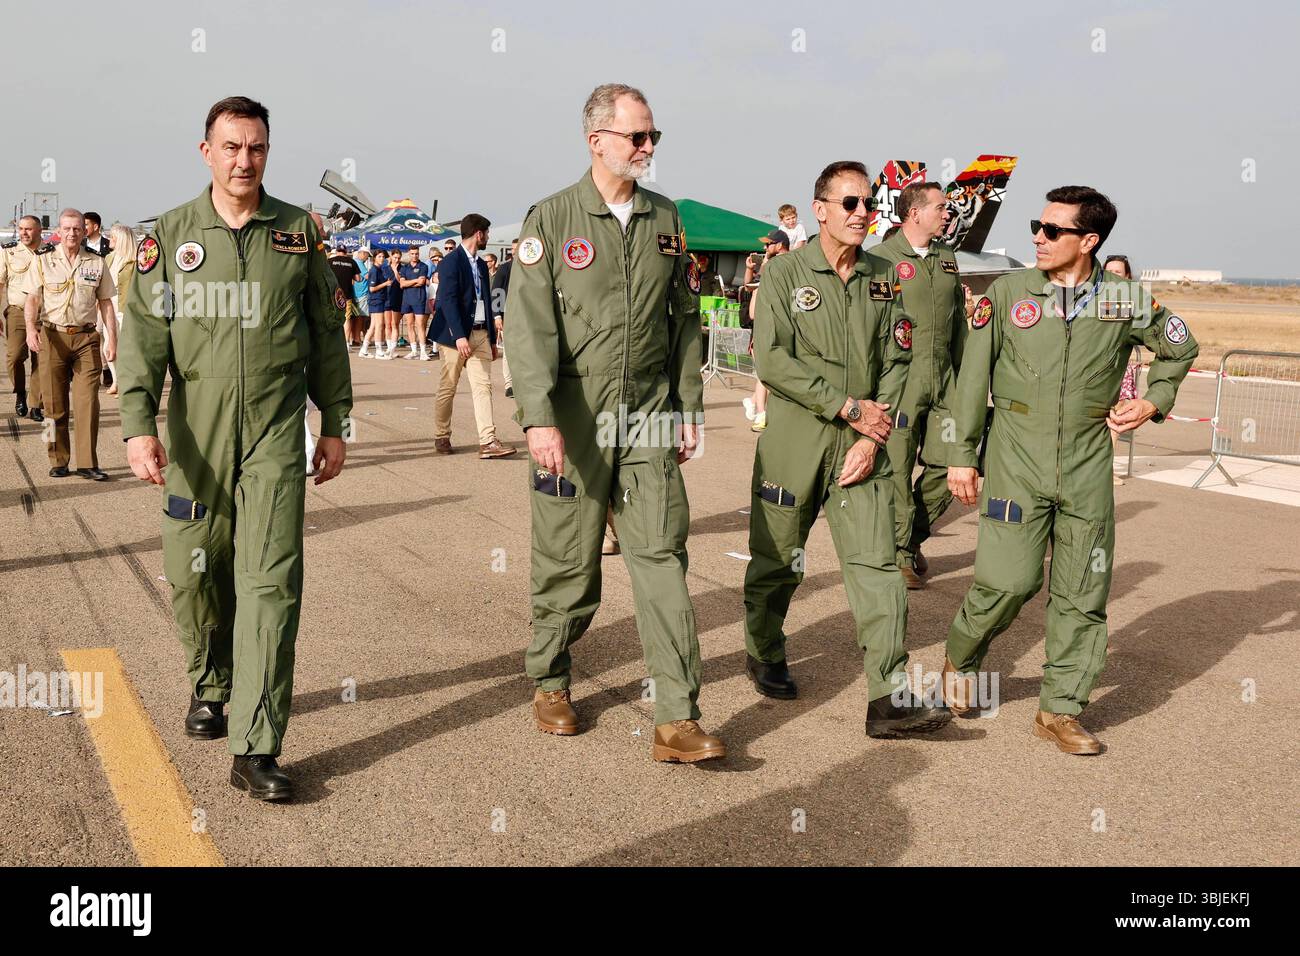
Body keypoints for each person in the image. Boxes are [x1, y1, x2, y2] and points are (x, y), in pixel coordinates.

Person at [117, 96, 352, 801]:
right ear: (206, 151)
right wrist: (137, 425)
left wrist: (336, 422)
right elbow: (143, 339)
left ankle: (257, 745)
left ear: (266, 153)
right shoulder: (171, 237)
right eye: (231, 147)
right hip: (196, 436)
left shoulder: (297, 234)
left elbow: (327, 329)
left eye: (255, 148)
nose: (244, 160)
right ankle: (210, 680)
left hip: (277, 433)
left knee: (271, 583)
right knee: (195, 573)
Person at [509, 83, 724, 762]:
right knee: (570, 567)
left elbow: (685, 321)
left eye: (654, 135)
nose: (649, 147)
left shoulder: (667, 220)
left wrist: (688, 406)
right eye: (637, 136)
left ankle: (677, 717)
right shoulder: (551, 219)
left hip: (651, 415)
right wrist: (538, 417)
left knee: (662, 558)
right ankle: (550, 677)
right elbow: (529, 328)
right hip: (575, 418)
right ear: (597, 139)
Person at [942, 186, 1198, 754]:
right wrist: (961, 455)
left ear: (1089, 241)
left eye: (1053, 230)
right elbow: (970, 381)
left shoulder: (1127, 299)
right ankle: (961, 658)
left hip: (1086, 460)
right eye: (1038, 224)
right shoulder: (1007, 293)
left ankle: (1060, 709)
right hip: (1015, 455)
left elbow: (1181, 348)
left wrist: (1153, 400)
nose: (1038, 235)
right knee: (1008, 581)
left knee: (1083, 589)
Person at [743, 161, 949, 738]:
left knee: (879, 568)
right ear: (821, 209)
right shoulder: (784, 275)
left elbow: (900, 359)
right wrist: (845, 406)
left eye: (870, 203)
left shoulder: (885, 275)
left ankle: (888, 696)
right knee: (777, 563)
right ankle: (763, 647)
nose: (865, 213)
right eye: (852, 203)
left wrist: (868, 430)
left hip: (865, 449)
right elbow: (773, 360)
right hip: (795, 445)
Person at [868, 181, 967, 589]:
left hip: (944, 381)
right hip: (901, 383)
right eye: (942, 208)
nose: (949, 214)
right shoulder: (880, 260)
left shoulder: (947, 259)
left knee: (951, 465)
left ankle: (910, 537)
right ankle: (899, 553)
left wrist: (969, 380)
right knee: (897, 469)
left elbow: (959, 322)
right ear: (915, 213)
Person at [22, 209, 117, 480]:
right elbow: (32, 298)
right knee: (54, 404)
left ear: (85, 231)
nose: (72, 233)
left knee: (88, 402)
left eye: (77, 228)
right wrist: (31, 329)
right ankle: (58, 459)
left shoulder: (97, 263)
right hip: (53, 337)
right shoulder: (44, 261)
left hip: (86, 339)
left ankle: (88, 463)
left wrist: (112, 340)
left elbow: (106, 303)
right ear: (59, 232)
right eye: (66, 229)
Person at [430, 214, 514, 459]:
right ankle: (441, 434)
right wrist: (459, 335)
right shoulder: (450, 262)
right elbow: (447, 300)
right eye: (486, 233)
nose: (488, 237)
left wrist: (489, 337)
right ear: (479, 233)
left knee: (483, 387)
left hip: (480, 333)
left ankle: (488, 441)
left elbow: (485, 299)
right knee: (448, 386)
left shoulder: (479, 264)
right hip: (454, 336)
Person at [740, 229, 788, 433]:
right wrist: (751, 269)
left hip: (775, 326)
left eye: (769, 244)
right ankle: (759, 411)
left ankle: (755, 406)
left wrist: (766, 262)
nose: (765, 248)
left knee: (768, 374)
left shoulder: (780, 265)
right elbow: (749, 286)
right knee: (764, 373)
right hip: (762, 327)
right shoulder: (770, 265)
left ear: (779, 245)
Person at [0, 215, 48, 421]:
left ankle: (36, 404)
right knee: (14, 356)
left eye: (28, 229)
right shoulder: (9, 251)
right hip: (18, 311)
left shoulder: (50, 252)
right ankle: (20, 392)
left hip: (45, 314)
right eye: (21, 229)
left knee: (43, 360)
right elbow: (0, 284)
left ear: (39, 231)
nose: (24, 233)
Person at [1104, 254, 1140, 486]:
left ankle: (1105, 469)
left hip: (1121, 367)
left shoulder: (1134, 300)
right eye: (1109, 271)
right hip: (1097, 367)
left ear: (1127, 276)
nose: (1113, 276)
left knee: (1116, 419)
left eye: (1118, 272)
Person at [104, 223, 138, 397]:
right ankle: (116, 380)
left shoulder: (135, 261)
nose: (110, 239)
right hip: (109, 305)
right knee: (107, 347)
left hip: (126, 307)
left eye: (113, 237)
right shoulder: (109, 258)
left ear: (122, 240)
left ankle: (126, 383)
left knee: (125, 348)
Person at [490, 237, 517, 397]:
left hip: (525, 315)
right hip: (507, 314)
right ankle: (509, 384)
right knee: (508, 350)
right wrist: (497, 316)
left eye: (517, 248)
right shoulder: (505, 268)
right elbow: (497, 292)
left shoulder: (531, 268)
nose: (514, 251)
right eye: (512, 248)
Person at [397, 246, 430, 359]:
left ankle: (423, 352)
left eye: (416, 253)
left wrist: (408, 282)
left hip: (419, 299)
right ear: (409, 254)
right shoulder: (404, 268)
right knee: (410, 325)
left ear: (418, 254)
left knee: (420, 325)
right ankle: (414, 350)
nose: (414, 256)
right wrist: (415, 281)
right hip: (407, 300)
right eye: (412, 254)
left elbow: (422, 283)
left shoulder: (423, 266)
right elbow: (402, 284)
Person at [328, 243, 362, 350]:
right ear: (346, 252)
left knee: (332, 317)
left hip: (332, 294)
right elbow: (358, 279)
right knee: (346, 318)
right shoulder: (351, 262)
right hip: (346, 295)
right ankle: (346, 343)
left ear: (337, 251)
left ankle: (332, 342)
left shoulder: (330, 261)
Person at [360, 249, 392, 358]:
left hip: (379, 299)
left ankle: (364, 349)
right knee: (379, 325)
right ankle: (379, 350)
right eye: (379, 256)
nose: (382, 258)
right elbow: (372, 288)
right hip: (376, 300)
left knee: (373, 326)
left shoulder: (379, 269)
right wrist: (386, 283)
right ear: (374, 258)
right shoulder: (374, 270)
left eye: (383, 257)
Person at [349, 248, 370, 348]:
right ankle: (357, 338)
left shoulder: (355, 262)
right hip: (361, 294)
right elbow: (367, 276)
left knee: (355, 317)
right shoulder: (359, 262)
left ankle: (354, 338)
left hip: (355, 293)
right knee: (360, 317)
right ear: (362, 253)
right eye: (367, 255)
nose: (367, 258)